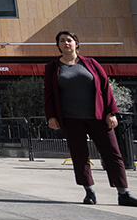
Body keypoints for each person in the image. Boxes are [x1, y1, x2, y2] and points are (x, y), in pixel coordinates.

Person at [44, 30, 137, 207]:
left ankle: (123, 193)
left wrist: (112, 112)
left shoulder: (91, 63)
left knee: (112, 153)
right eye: (62, 41)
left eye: (69, 40)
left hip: (98, 118)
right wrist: (51, 116)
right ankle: (89, 192)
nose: (66, 43)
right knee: (80, 156)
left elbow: (105, 88)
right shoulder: (53, 68)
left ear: (76, 44)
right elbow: (48, 95)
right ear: (58, 45)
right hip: (71, 119)